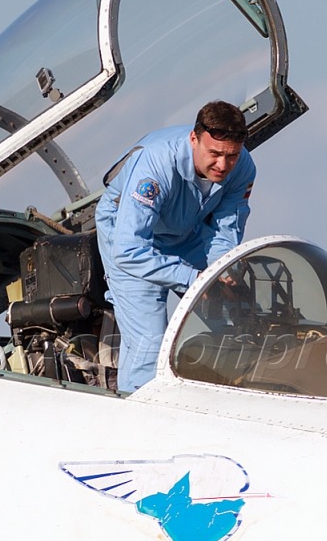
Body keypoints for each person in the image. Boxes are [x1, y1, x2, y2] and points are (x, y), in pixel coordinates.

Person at [95, 100, 256, 392]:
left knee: (238, 316)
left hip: (185, 230)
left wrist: (222, 271)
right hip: (131, 237)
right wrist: (193, 280)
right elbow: (129, 249)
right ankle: (138, 416)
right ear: (194, 139)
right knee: (149, 339)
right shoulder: (155, 165)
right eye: (215, 154)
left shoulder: (242, 167)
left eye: (231, 156)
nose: (223, 165)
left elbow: (226, 228)